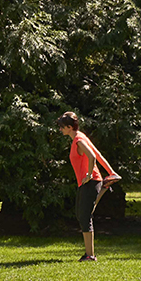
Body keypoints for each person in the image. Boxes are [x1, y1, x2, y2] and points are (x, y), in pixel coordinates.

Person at [58, 111, 121, 262]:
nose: (60, 130)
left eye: (62, 127)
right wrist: (111, 172)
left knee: (85, 217)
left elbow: (93, 156)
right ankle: (105, 187)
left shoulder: (79, 140)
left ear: (69, 127)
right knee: (81, 214)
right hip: (87, 182)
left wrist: (89, 175)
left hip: (90, 182)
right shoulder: (79, 137)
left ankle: (90, 255)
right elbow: (98, 154)